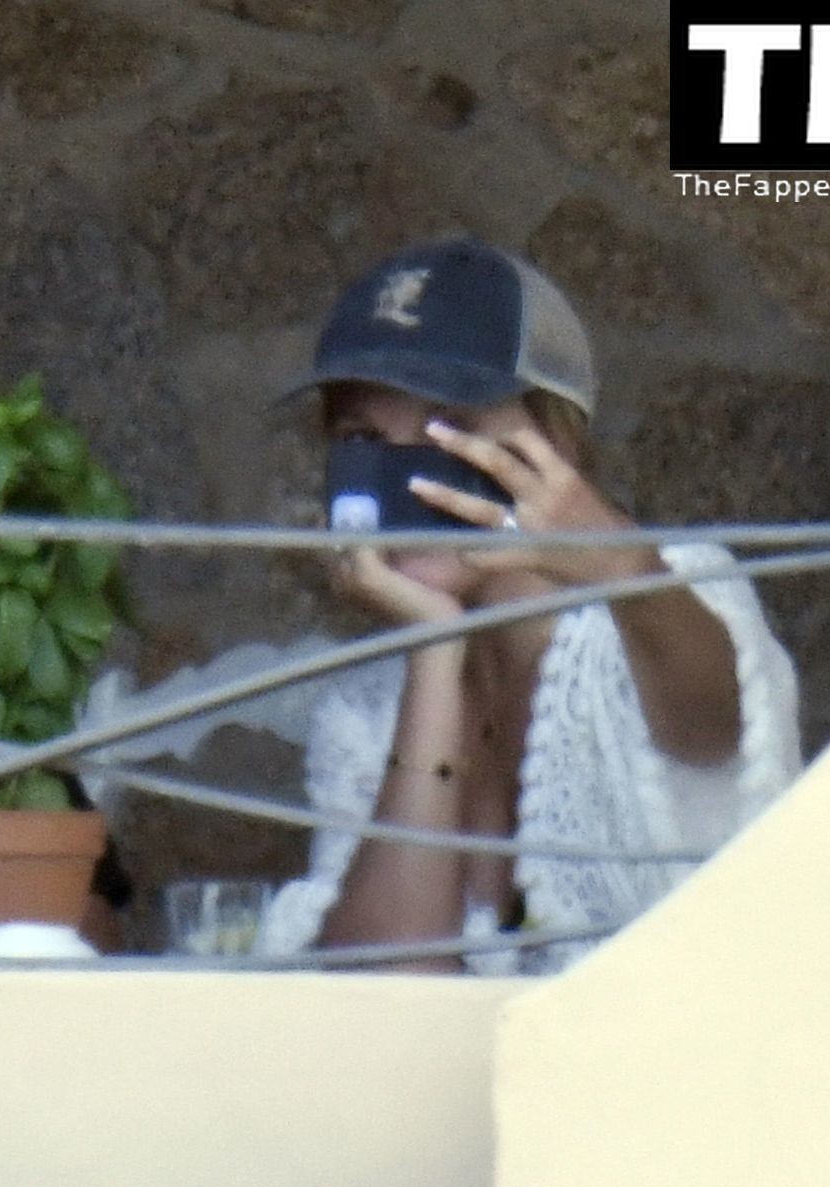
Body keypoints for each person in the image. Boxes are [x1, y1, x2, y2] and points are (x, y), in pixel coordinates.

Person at [259, 238, 802, 973]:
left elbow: (716, 725)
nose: (405, 479)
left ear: (557, 447)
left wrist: (617, 556)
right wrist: (435, 651)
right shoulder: (363, 715)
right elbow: (385, 988)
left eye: (447, 431)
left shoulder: (660, 598)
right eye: (363, 439)